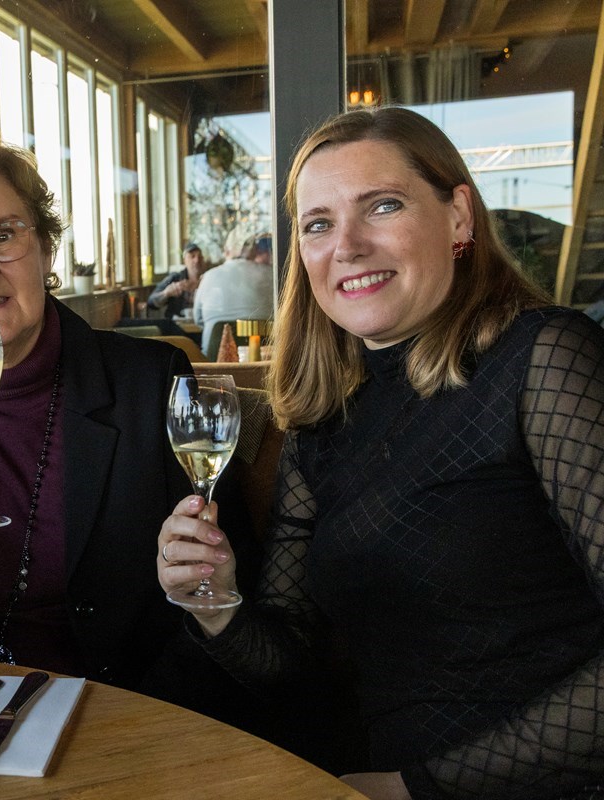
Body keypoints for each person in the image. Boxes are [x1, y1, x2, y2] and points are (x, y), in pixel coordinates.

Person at [157, 106, 604, 799]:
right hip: (368, 777)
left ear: (459, 217)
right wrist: (215, 605)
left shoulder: (544, 358)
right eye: (318, 224)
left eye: (383, 206)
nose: (348, 245)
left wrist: (413, 787)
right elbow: (293, 664)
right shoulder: (324, 416)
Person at [0, 132, 256, 693]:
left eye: (3, 235)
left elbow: (232, 595)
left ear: (46, 249)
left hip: (117, 706)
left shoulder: (151, 381)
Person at [192, 229, 274, 351]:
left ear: (227, 250)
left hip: (215, 357)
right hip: (266, 356)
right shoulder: (271, 274)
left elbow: (198, 319)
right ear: (253, 250)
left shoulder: (209, 276)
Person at [147, 242, 209, 319]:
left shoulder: (209, 279)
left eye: (200, 257)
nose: (197, 260)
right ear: (184, 261)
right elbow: (151, 303)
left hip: (203, 323)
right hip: (177, 324)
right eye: (192, 256)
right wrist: (166, 293)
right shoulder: (175, 278)